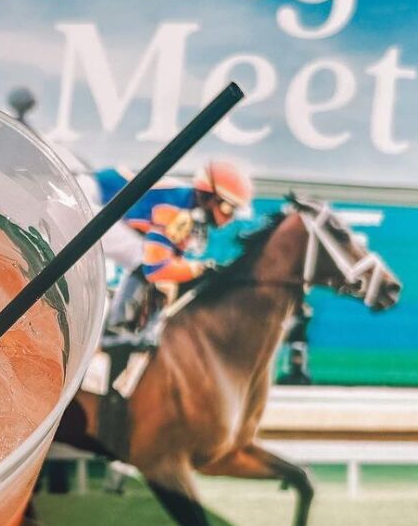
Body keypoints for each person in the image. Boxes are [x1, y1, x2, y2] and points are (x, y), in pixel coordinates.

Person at [79, 161, 254, 345]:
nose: (230, 217)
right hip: (91, 196)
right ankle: (115, 330)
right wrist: (199, 269)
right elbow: (155, 269)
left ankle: (122, 327)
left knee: (147, 261)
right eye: (228, 208)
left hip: (98, 199)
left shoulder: (188, 207)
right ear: (209, 197)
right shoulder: (176, 210)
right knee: (141, 257)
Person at [277, 301, 314, 385]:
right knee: (288, 358)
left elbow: (308, 314)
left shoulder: (303, 315)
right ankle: (288, 372)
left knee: (302, 358)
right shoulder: (290, 315)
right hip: (291, 342)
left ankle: (303, 373)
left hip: (300, 342)